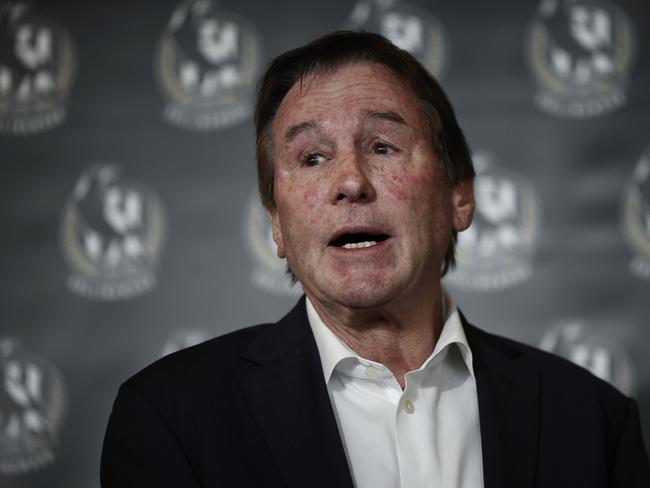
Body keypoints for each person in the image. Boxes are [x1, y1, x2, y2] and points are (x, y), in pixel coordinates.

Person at [100, 31, 650, 487]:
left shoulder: (591, 420)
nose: (350, 181)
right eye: (312, 157)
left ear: (459, 195)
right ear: (276, 224)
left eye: (383, 146)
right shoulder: (169, 416)